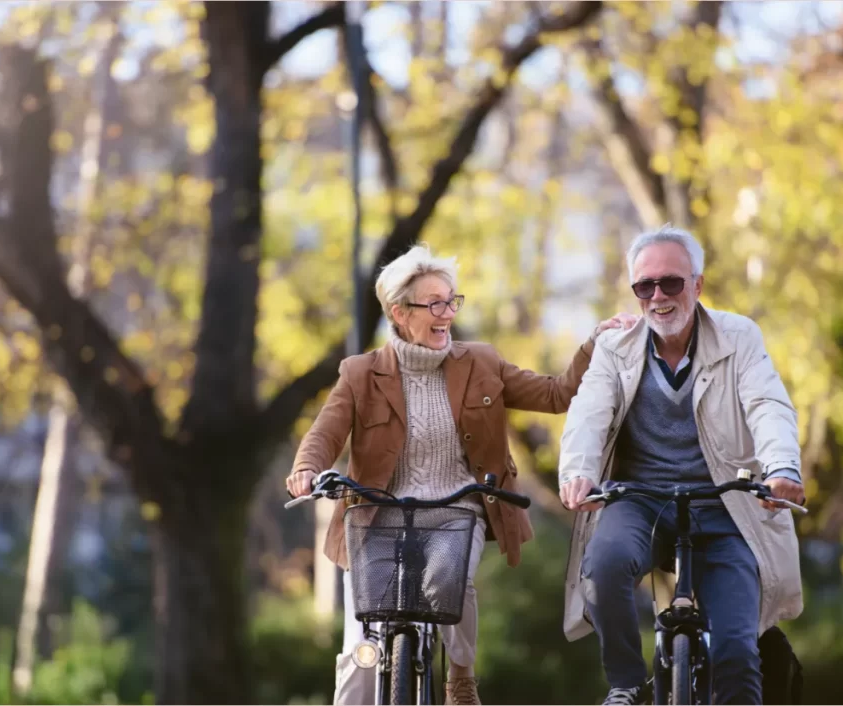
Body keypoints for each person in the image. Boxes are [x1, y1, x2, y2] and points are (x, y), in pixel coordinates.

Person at [287, 244, 635, 706]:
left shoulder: (482, 362)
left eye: (452, 301)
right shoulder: (360, 373)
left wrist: (594, 342)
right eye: (433, 303)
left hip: (456, 509)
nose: (446, 313)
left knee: (453, 584)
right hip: (376, 515)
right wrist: (307, 470)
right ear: (399, 312)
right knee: (360, 648)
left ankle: (460, 677)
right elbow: (324, 435)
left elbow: (556, 394)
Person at [557, 225, 806, 705]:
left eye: (671, 282)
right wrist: (577, 473)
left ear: (698, 285)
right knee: (604, 565)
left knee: (737, 650)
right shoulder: (615, 348)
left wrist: (783, 468)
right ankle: (628, 684)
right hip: (638, 500)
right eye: (644, 286)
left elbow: (767, 405)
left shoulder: (739, 337)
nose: (657, 297)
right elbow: (588, 412)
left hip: (724, 503)